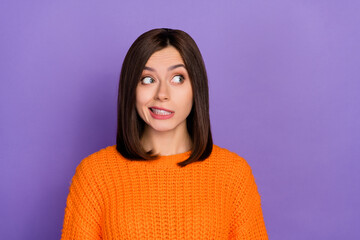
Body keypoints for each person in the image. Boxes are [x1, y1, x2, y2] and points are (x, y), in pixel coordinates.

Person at [61, 28, 268, 239]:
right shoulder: (94, 175)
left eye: (178, 78)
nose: (162, 94)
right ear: (131, 89)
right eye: (148, 79)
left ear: (197, 88)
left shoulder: (234, 175)